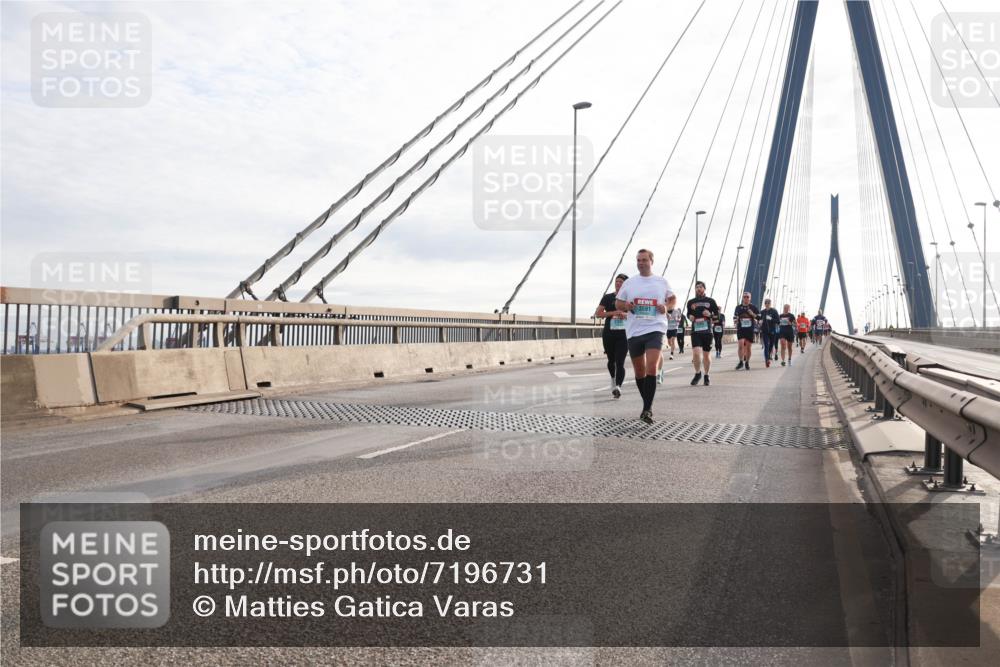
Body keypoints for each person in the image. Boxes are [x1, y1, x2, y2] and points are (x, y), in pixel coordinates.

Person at [616, 249, 676, 424]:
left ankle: (647, 409)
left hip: (655, 328)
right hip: (634, 330)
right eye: (638, 260)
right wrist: (626, 305)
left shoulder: (661, 281)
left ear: (651, 261)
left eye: (644, 260)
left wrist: (666, 306)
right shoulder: (630, 283)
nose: (641, 263)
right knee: (640, 372)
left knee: (651, 368)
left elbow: (673, 299)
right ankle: (647, 403)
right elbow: (618, 302)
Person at [595, 273, 629, 399]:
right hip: (609, 333)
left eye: (621, 282)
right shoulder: (608, 297)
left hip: (623, 334)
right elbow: (598, 313)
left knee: (620, 362)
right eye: (617, 281)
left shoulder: (630, 299)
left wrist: (626, 315)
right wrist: (614, 312)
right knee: (611, 361)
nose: (618, 283)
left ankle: (618, 387)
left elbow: (637, 314)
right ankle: (613, 379)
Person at [686, 280, 720, 386]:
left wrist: (710, 315)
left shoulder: (711, 301)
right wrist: (689, 317)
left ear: (704, 289)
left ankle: (706, 375)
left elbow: (717, 318)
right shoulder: (691, 302)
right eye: (697, 287)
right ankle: (697, 373)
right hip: (696, 331)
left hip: (707, 332)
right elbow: (688, 314)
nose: (698, 289)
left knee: (706, 355)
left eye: (701, 287)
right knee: (696, 353)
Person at [733, 292, 759, 370]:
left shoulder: (753, 307)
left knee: (748, 347)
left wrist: (753, 314)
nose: (746, 298)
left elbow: (759, 317)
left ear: (750, 298)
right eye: (744, 297)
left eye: (747, 297)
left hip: (749, 329)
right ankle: (741, 362)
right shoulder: (738, 307)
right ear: (742, 298)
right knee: (740, 345)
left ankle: (747, 362)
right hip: (741, 328)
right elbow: (735, 316)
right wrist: (735, 320)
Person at [758, 298, 780, 368]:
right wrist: (759, 322)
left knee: (771, 345)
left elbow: (778, 321)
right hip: (764, 331)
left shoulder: (774, 311)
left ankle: (769, 355)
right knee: (766, 346)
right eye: (766, 303)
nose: (767, 304)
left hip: (772, 331)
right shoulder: (762, 312)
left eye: (768, 303)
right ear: (765, 304)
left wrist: (771, 319)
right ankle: (767, 360)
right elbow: (758, 319)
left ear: (770, 304)